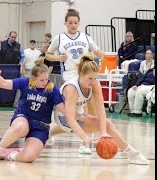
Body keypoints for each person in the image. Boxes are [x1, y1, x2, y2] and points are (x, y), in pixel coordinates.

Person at [49, 53, 149, 165]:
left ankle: (49, 133)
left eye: (95, 78)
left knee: (100, 124)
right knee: (107, 124)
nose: (93, 81)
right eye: (90, 78)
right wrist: (84, 137)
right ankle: (132, 154)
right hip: (63, 117)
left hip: (76, 115)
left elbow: (101, 109)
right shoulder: (72, 89)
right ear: (81, 74)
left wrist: (103, 132)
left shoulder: (94, 83)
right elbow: (70, 119)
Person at [0, 58, 88, 163]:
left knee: (29, 157)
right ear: (33, 78)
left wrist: (80, 116)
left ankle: (11, 155)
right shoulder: (25, 82)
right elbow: (3, 83)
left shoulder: (52, 89)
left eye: (46, 79)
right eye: (41, 80)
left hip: (41, 126)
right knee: (21, 128)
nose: (45, 82)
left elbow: (64, 109)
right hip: (23, 118)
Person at [45, 8, 108, 152]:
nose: (73, 25)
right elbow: (48, 55)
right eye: (70, 22)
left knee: (85, 114)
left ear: (79, 23)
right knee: (76, 116)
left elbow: (101, 55)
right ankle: (83, 142)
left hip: (86, 76)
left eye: (75, 22)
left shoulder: (86, 37)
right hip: (70, 80)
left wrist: (99, 54)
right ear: (66, 23)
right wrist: (57, 58)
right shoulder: (60, 38)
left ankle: (81, 141)